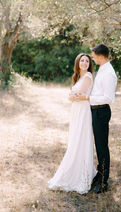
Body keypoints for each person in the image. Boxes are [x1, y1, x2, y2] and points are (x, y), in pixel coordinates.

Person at [48, 53, 96, 194]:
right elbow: (71, 97)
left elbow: (76, 95)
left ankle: (81, 173)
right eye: (82, 60)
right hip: (76, 111)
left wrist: (73, 96)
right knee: (75, 139)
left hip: (83, 111)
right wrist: (73, 96)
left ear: (89, 64)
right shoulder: (78, 77)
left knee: (80, 140)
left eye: (87, 61)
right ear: (78, 62)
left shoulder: (87, 76)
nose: (85, 63)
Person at [75, 44, 117, 194]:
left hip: (101, 112)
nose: (92, 58)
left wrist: (87, 97)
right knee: (98, 146)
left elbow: (108, 98)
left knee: (102, 146)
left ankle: (104, 182)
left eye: (93, 56)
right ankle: (99, 175)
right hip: (95, 111)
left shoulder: (109, 73)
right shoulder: (102, 69)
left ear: (100, 56)